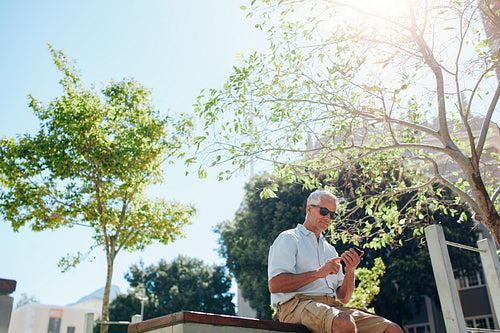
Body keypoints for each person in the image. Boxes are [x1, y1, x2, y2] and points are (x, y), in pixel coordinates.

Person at [268, 189, 403, 333]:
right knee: (344, 323)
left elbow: (343, 298)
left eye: (333, 215)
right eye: (324, 212)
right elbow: (275, 285)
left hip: (332, 308)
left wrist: (350, 271)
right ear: (309, 209)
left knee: (392, 329)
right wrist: (318, 273)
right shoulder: (289, 238)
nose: (328, 218)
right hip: (295, 306)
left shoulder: (330, 250)